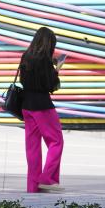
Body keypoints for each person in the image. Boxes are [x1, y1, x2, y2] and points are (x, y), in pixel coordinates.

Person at [19, 26, 65, 193]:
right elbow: (51, 86)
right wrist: (57, 68)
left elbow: (24, 81)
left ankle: (33, 187)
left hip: (26, 106)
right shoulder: (45, 61)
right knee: (56, 142)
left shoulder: (26, 57)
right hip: (42, 106)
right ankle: (47, 179)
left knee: (32, 147)